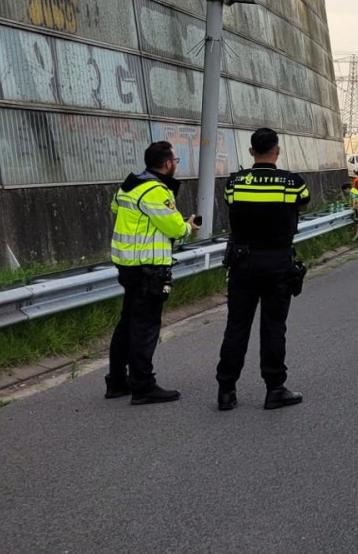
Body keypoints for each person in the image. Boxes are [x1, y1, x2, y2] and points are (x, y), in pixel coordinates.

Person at [215, 128, 307, 412]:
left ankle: (226, 391)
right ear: (276, 151)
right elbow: (302, 203)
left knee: (236, 327)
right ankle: (275, 389)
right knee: (273, 327)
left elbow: (232, 204)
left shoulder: (235, 183)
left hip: (242, 263)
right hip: (278, 263)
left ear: (251, 151)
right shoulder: (292, 183)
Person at [105, 140, 200, 405]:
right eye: (175, 162)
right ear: (168, 164)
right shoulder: (157, 191)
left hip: (127, 265)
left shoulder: (129, 185)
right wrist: (187, 226)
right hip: (149, 267)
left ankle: (116, 381)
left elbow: (117, 208)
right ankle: (143, 386)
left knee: (127, 324)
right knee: (145, 327)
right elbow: (173, 228)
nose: (175, 166)